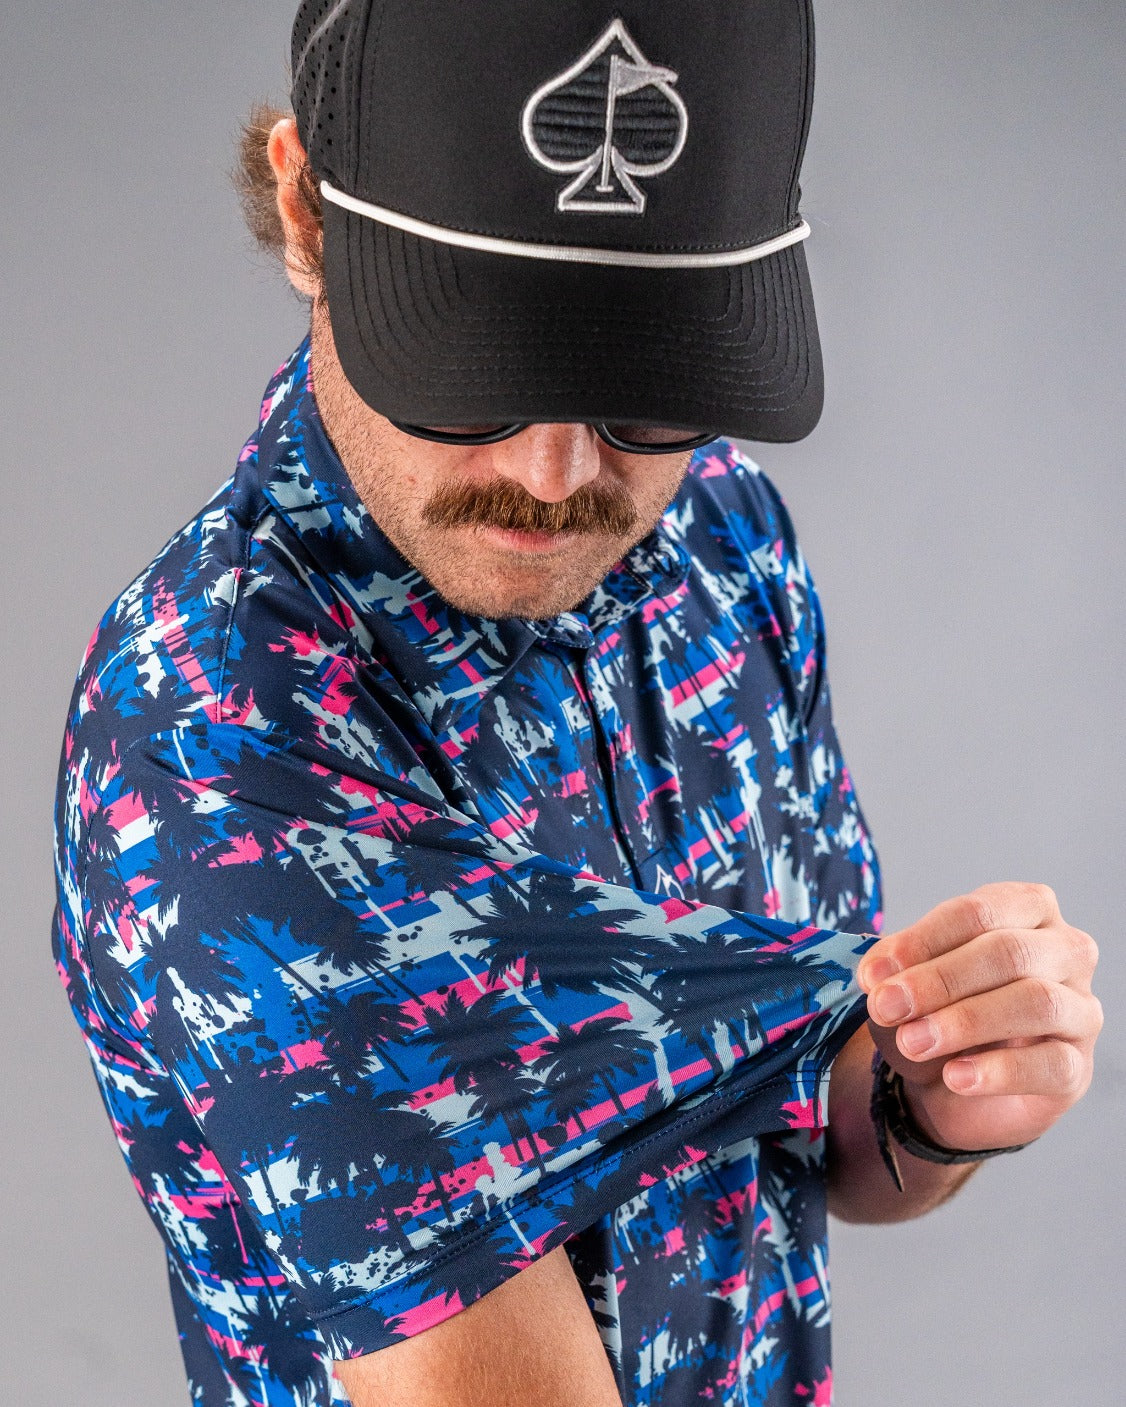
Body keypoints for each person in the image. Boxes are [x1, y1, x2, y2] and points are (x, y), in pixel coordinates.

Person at [50, 4, 1102, 1405]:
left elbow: (822, 1125)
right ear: (307, 212)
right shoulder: (213, 739)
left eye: (642, 386)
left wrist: (942, 1092)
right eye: (474, 371)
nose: (555, 477)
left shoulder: (718, 533)